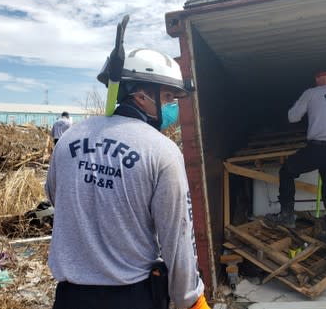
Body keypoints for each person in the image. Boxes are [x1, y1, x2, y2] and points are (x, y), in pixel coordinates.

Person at [45, 47, 210, 309]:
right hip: (131, 297)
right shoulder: (161, 151)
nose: (171, 107)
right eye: (167, 97)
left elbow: (56, 196)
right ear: (141, 95)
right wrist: (190, 299)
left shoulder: (69, 139)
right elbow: (177, 236)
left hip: (70, 297)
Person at [263, 71, 326, 244]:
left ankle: (286, 215)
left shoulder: (311, 93)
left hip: (318, 148)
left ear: (317, 79)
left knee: (287, 171)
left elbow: (293, 117)